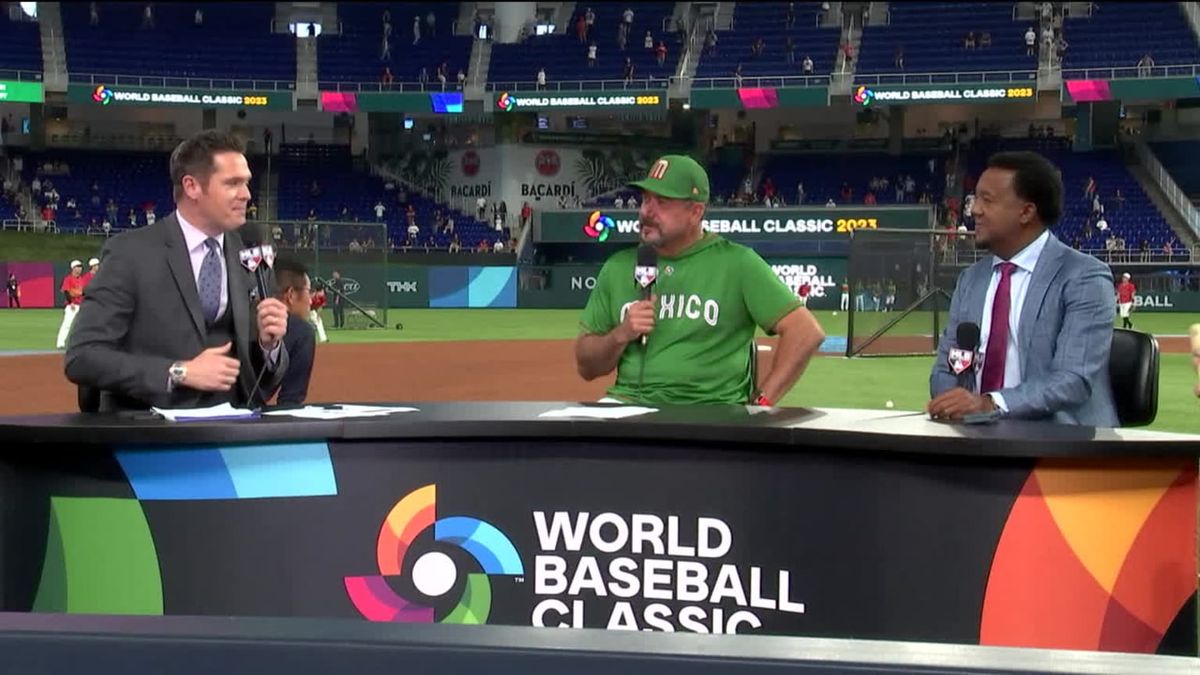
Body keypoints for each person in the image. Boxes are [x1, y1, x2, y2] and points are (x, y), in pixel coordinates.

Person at [65, 130, 290, 411]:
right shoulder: (130, 253)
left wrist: (270, 347)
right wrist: (178, 372)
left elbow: (261, 382)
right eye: (232, 183)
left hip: (231, 426)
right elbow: (82, 357)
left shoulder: (251, 253)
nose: (246, 195)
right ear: (192, 186)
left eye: (246, 183)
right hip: (148, 428)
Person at [575, 155, 825, 406]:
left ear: (695, 212)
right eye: (646, 199)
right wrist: (620, 334)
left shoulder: (737, 263)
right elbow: (587, 367)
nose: (646, 211)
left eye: (662, 202)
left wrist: (761, 404)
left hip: (709, 409)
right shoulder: (618, 267)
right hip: (627, 405)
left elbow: (805, 332)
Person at [928, 152, 1117, 426]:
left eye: (987, 200)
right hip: (976, 436)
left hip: (1061, 441)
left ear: (1026, 212)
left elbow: (1072, 379)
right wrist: (951, 403)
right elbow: (947, 368)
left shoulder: (1083, 277)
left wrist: (991, 404)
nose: (974, 210)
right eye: (974, 199)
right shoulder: (971, 279)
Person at [269, 259, 317, 405]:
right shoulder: (301, 332)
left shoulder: (242, 315)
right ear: (291, 294)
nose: (310, 301)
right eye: (308, 291)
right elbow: (290, 402)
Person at [56, 260, 86, 349]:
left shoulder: (81, 279)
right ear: (73, 268)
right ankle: (60, 342)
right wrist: (70, 302)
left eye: (80, 267)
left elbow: (83, 292)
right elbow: (66, 291)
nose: (80, 269)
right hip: (72, 306)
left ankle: (80, 343)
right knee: (67, 324)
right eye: (78, 267)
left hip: (81, 305)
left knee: (82, 325)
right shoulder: (68, 279)